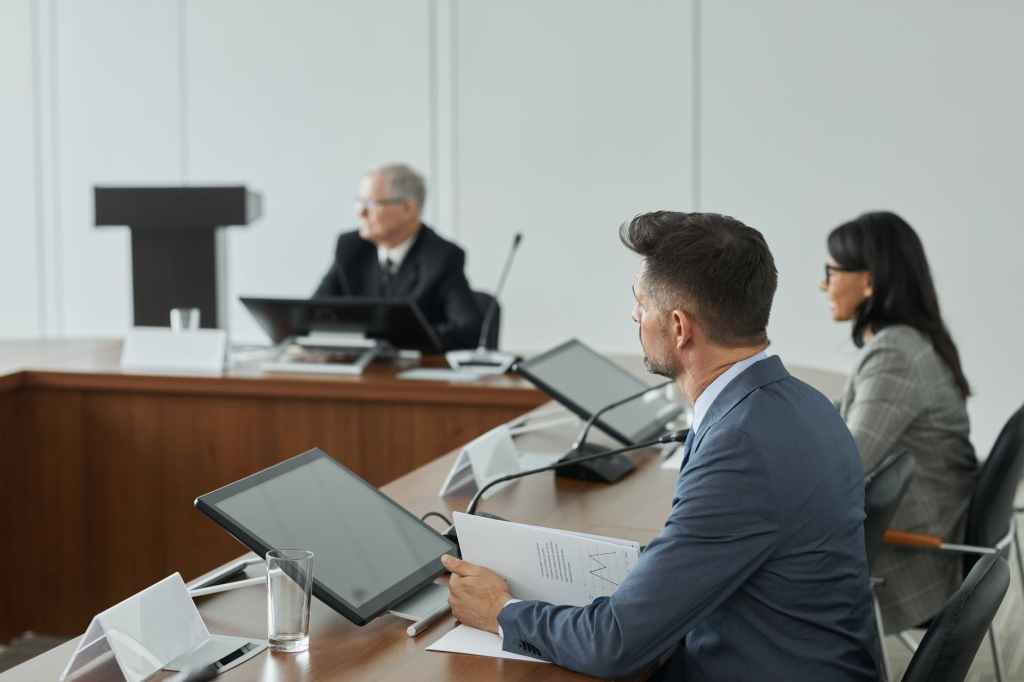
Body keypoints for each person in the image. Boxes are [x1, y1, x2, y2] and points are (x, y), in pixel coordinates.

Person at [443, 211, 879, 681]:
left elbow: (613, 645)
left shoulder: (742, 446)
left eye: (641, 302)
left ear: (678, 327)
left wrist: (501, 611)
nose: (634, 315)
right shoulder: (801, 403)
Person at [822, 210, 978, 633]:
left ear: (868, 281)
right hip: (932, 525)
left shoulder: (894, 354)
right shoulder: (910, 339)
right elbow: (850, 416)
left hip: (913, 558)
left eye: (831, 272)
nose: (823, 285)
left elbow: (845, 466)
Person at [313, 163, 482, 350]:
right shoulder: (350, 248)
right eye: (359, 202)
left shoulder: (442, 258)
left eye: (371, 204)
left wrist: (396, 343)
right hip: (356, 364)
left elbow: (468, 331)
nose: (361, 212)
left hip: (413, 366)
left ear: (407, 208)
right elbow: (312, 315)